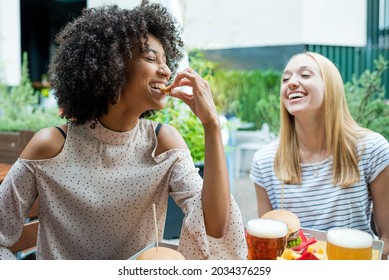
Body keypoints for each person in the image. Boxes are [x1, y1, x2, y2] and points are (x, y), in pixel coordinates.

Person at [0, 2, 247, 260]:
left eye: (165, 61)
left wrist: (212, 125)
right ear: (113, 66)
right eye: (151, 58)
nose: (165, 70)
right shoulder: (52, 146)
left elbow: (215, 227)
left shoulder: (162, 143)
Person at [250, 52, 389, 259]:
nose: (292, 83)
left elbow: (386, 239)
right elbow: (270, 249)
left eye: (305, 75)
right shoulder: (264, 162)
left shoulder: (371, 149)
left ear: (331, 87)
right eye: (285, 79)